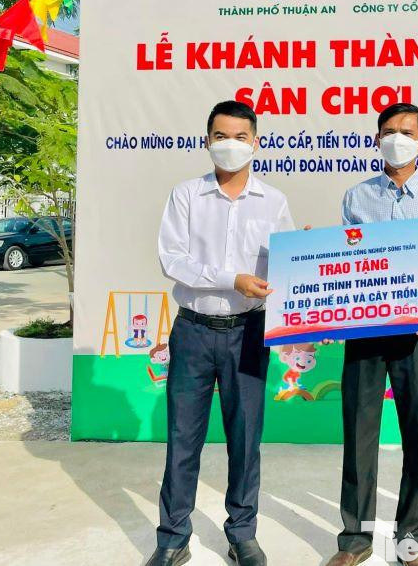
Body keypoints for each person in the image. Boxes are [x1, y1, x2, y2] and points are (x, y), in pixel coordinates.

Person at [145, 100, 293, 566]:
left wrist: (303, 253)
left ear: (256, 142)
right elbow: (173, 260)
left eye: (240, 137)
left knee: (245, 439)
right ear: (207, 140)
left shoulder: (273, 202)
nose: (231, 145)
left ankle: (242, 533)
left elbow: (286, 269)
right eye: (221, 136)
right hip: (192, 331)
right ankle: (173, 537)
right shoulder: (187, 195)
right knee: (182, 438)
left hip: (248, 331)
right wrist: (233, 279)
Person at [325, 103, 418, 566]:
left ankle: (411, 540)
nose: (396, 139)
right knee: (359, 434)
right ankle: (354, 539)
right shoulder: (357, 197)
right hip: (366, 332)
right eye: (388, 131)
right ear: (376, 139)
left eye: (406, 131)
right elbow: (344, 266)